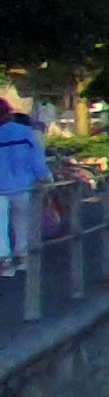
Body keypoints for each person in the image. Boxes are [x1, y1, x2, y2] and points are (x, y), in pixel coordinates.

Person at [0, 93, 43, 274]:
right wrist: (44, 176)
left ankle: (5, 263)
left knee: (0, 228)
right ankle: (23, 258)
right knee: (22, 222)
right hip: (23, 185)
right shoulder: (24, 132)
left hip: (0, 188)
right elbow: (36, 158)